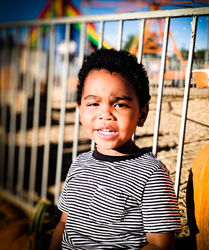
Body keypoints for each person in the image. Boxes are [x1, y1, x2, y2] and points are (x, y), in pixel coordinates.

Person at [49, 49, 181, 250]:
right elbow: (64, 223)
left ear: (142, 115)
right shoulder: (79, 164)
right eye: (93, 103)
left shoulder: (152, 174)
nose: (105, 114)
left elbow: (160, 245)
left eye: (119, 105)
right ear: (80, 111)